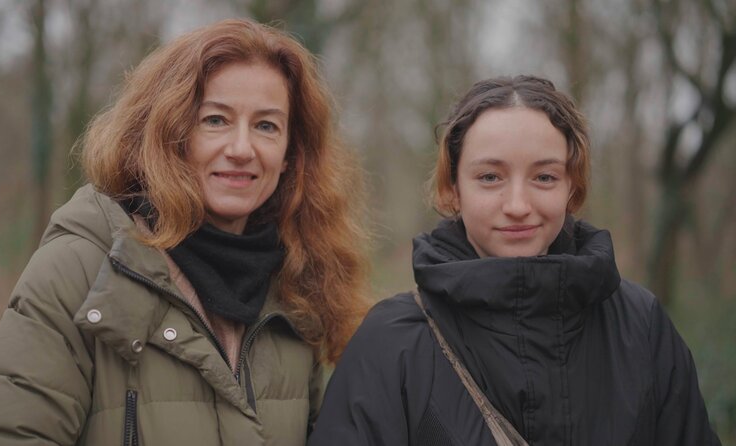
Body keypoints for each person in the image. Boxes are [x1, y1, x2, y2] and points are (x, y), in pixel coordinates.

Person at [0, 18, 369, 445]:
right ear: (171, 134)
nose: (242, 149)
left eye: (266, 126)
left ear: (288, 156)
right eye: (215, 120)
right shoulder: (82, 268)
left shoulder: (296, 293)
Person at [308, 75, 720, 445]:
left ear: (571, 189)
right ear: (452, 190)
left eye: (544, 177)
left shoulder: (640, 326)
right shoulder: (392, 341)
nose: (518, 205)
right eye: (490, 177)